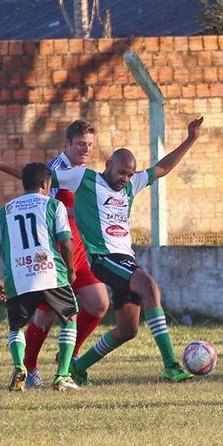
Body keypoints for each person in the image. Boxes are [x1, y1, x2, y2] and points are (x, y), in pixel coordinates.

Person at [53, 116, 204, 385]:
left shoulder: (132, 184)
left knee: (128, 329)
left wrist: (191, 139)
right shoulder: (84, 179)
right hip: (104, 258)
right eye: (122, 172)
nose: (125, 178)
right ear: (109, 163)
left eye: (130, 174)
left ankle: (78, 368)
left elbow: (163, 167)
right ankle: (170, 364)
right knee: (150, 288)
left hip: (125, 258)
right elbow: (42, 176)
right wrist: (0, 166)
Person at [0, 120, 109, 388]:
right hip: (57, 250)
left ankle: (67, 356)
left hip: (79, 247)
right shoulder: (56, 169)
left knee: (98, 303)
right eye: (81, 144)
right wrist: (0, 166)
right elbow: (31, 181)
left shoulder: (83, 171)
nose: (86, 149)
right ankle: (31, 367)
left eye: (90, 145)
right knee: (46, 315)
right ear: (67, 144)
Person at [0, 163, 81, 392]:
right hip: (51, 274)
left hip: (18, 277)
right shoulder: (53, 205)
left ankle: (19, 366)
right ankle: (62, 376)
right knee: (70, 319)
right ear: (45, 184)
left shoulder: (5, 210)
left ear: (24, 183)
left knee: (16, 327)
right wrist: (70, 269)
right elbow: (66, 242)